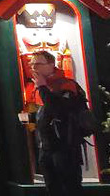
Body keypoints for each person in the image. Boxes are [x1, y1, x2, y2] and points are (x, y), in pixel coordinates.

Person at [31, 51, 88, 196]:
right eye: (32, 64)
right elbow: (46, 113)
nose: (34, 67)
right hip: (46, 148)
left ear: (51, 65)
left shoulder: (66, 85)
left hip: (64, 147)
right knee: (52, 188)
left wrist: (42, 87)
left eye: (38, 64)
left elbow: (58, 110)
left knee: (70, 187)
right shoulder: (41, 87)